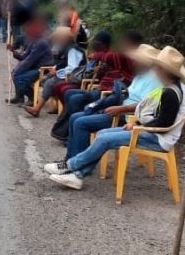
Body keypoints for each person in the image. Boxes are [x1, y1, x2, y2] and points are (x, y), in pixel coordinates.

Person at [45, 46, 185, 190]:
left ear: (164, 70)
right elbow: (156, 113)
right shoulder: (170, 87)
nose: (155, 69)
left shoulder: (170, 93)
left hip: (157, 139)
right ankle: (78, 174)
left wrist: (137, 126)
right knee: (102, 134)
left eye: (157, 67)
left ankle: (72, 167)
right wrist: (137, 122)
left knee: (104, 138)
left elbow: (163, 123)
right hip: (149, 131)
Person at [24, 26, 86, 117]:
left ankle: (37, 109)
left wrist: (57, 72)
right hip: (64, 74)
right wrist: (54, 68)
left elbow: (73, 68)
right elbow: (61, 62)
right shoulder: (65, 48)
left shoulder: (73, 50)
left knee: (50, 82)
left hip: (74, 77)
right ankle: (56, 106)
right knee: (45, 80)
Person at [7, 18, 54, 105]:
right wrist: (12, 51)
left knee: (19, 77)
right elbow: (24, 56)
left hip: (42, 69)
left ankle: (32, 97)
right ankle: (19, 97)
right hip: (34, 66)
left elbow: (29, 60)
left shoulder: (41, 43)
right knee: (15, 73)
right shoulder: (33, 41)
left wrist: (18, 70)